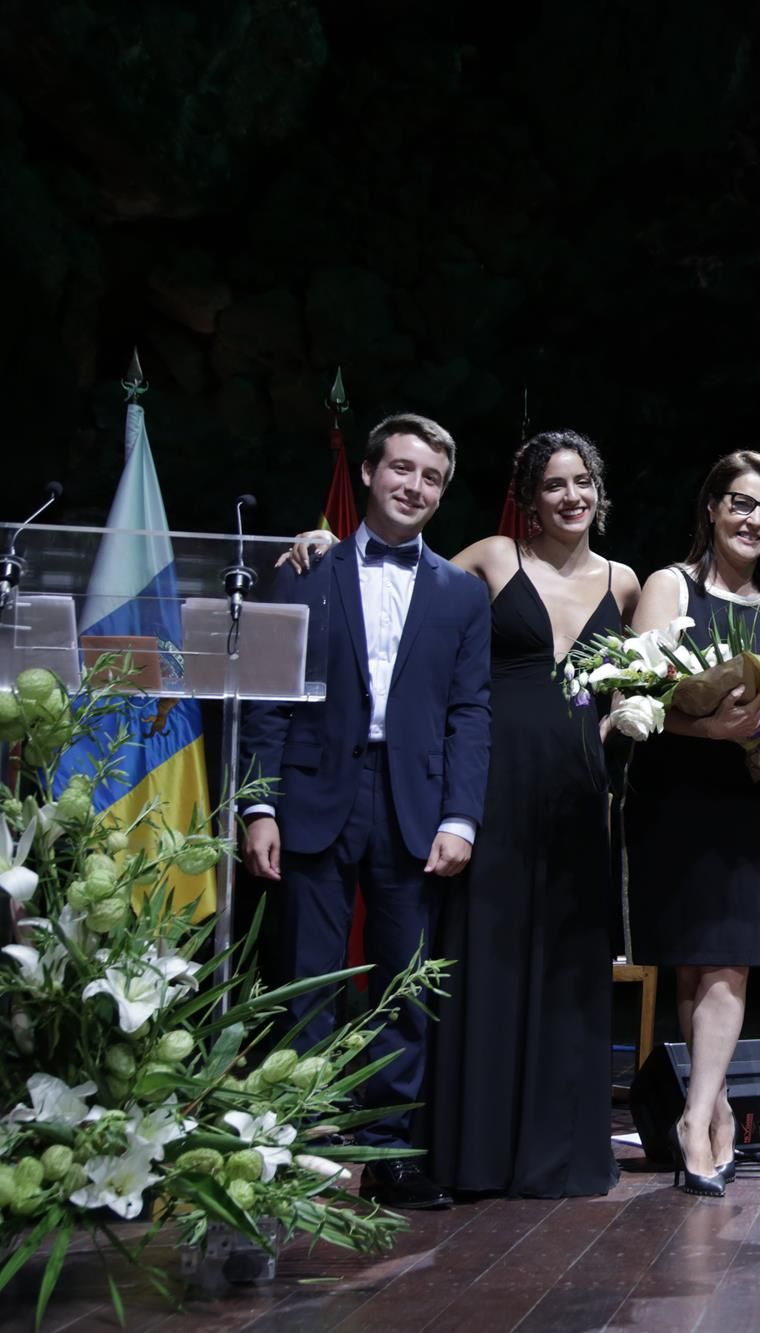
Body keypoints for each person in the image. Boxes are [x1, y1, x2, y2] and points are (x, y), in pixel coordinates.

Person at [242, 413, 493, 1211]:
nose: (413, 487)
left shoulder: (462, 593)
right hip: (315, 797)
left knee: (403, 986)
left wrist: (461, 817)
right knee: (307, 981)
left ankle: (387, 1154)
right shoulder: (305, 568)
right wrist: (257, 803)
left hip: (413, 803)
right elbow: (268, 696)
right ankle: (304, 1145)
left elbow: (470, 712)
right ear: (370, 474)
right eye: (402, 469)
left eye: (430, 478)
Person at [426, 431, 641, 1197]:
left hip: (579, 790)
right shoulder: (489, 557)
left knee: (566, 963)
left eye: (582, 481)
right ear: (529, 497)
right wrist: (328, 540)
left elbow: (636, 691)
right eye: (554, 484)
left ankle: (562, 1153)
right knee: (489, 951)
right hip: (494, 778)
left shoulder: (625, 583)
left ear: (598, 489)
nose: (571, 496)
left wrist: (627, 719)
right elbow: (403, 594)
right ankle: (476, 1154)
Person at [625, 450, 760, 1197]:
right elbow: (636, 700)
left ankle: (695, 1119)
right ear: (711, 505)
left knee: (731, 959)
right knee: (694, 964)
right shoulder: (667, 586)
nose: (754, 520)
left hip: (752, 807)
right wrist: (712, 732)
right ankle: (718, 1105)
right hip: (675, 794)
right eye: (741, 502)